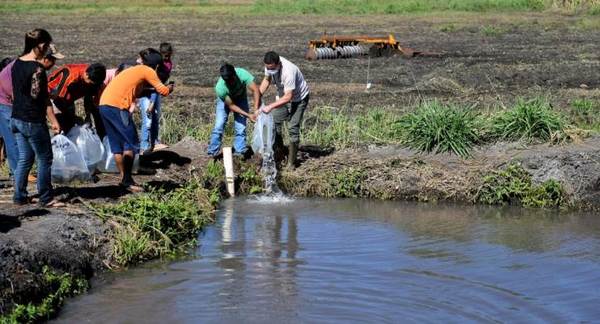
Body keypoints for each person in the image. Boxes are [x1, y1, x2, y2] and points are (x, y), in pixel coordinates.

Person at [98, 52, 173, 192]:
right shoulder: (148, 70)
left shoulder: (134, 70)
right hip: (117, 107)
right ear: (156, 66)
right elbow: (163, 91)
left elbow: (136, 92)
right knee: (132, 143)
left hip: (104, 105)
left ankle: (124, 179)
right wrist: (170, 88)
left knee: (117, 145)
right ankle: (127, 180)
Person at [11, 28, 62, 207]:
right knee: (45, 158)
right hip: (32, 120)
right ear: (40, 45)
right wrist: (54, 121)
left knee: (25, 158)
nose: (47, 48)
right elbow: (39, 98)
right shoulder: (37, 69)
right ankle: (46, 198)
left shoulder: (16, 62)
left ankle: (19, 196)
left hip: (16, 117)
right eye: (47, 45)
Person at [0, 46, 63, 177]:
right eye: (53, 60)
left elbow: (38, 93)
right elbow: (21, 96)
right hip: (4, 102)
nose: (54, 64)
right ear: (44, 58)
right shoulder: (25, 69)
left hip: (12, 100)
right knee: (13, 140)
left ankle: (20, 175)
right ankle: (17, 173)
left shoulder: (31, 66)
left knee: (20, 139)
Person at [256, 51, 310, 168]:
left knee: (292, 127)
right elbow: (267, 80)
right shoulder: (269, 65)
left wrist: (270, 106)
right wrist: (258, 96)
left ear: (278, 64)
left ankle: (291, 163)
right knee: (275, 125)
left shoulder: (288, 71)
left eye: (272, 68)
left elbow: (288, 97)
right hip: (282, 95)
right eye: (267, 68)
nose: (269, 70)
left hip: (299, 98)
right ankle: (280, 155)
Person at [207, 63, 261, 157]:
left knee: (241, 126)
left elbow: (255, 90)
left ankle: (239, 152)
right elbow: (231, 106)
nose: (230, 83)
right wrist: (248, 115)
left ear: (235, 74)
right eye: (228, 81)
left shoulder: (242, 74)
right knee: (219, 125)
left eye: (232, 80)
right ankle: (212, 153)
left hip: (240, 98)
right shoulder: (220, 88)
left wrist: (256, 110)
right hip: (226, 101)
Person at [47, 63, 106, 136]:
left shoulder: (94, 78)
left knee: (70, 126)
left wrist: (88, 116)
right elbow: (58, 100)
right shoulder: (71, 76)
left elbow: (89, 98)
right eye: (91, 83)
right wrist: (72, 117)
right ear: (86, 75)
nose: (92, 85)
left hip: (69, 98)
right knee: (61, 125)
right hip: (53, 96)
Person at [137, 43, 174, 154]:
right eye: (164, 56)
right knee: (147, 119)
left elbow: (159, 83)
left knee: (155, 117)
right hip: (146, 93)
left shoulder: (168, 64)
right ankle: (144, 144)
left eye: (168, 56)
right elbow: (154, 83)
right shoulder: (156, 65)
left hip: (156, 91)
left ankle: (155, 142)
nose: (166, 58)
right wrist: (152, 102)